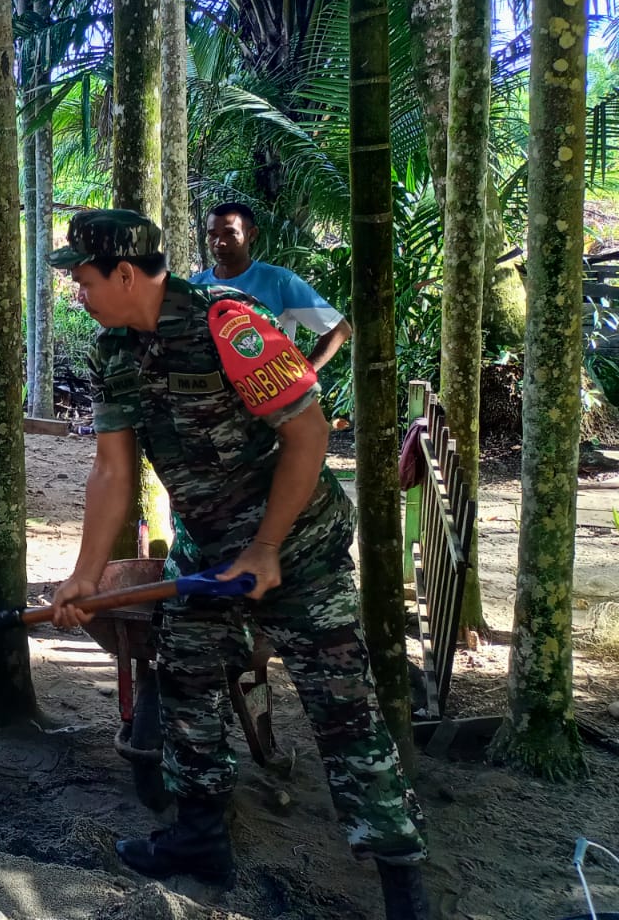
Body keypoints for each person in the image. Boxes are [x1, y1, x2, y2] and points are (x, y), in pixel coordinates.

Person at [47, 209, 430, 920]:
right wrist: (86, 574)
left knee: (342, 708)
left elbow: (308, 433)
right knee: (188, 677)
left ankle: (402, 881)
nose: (78, 292)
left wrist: (268, 547)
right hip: (208, 554)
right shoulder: (116, 353)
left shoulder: (231, 324)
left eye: (84, 278)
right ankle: (200, 839)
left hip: (300, 548)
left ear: (126, 274)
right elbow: (111, 470)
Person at [189, 202, 351, 370]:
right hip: (210, 394)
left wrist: (302, 377)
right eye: (212, 234)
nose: (219, 242)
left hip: (266, 393)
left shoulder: (279, 281)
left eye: (230, 233)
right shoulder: (193, 288)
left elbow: (339, 329)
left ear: (251, 234)